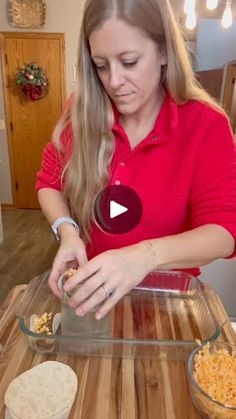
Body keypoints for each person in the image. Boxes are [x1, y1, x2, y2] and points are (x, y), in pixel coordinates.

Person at [36, 0, 236, 321]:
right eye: (101, 65)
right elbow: (48, 182)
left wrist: (143, 257)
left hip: (169, 306)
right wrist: (68, 231)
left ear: (163, 52)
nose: (114, 81)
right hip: (91, 297)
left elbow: (224, 232)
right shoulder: (82, 109)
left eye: (129, 61)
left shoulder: (205, 124)